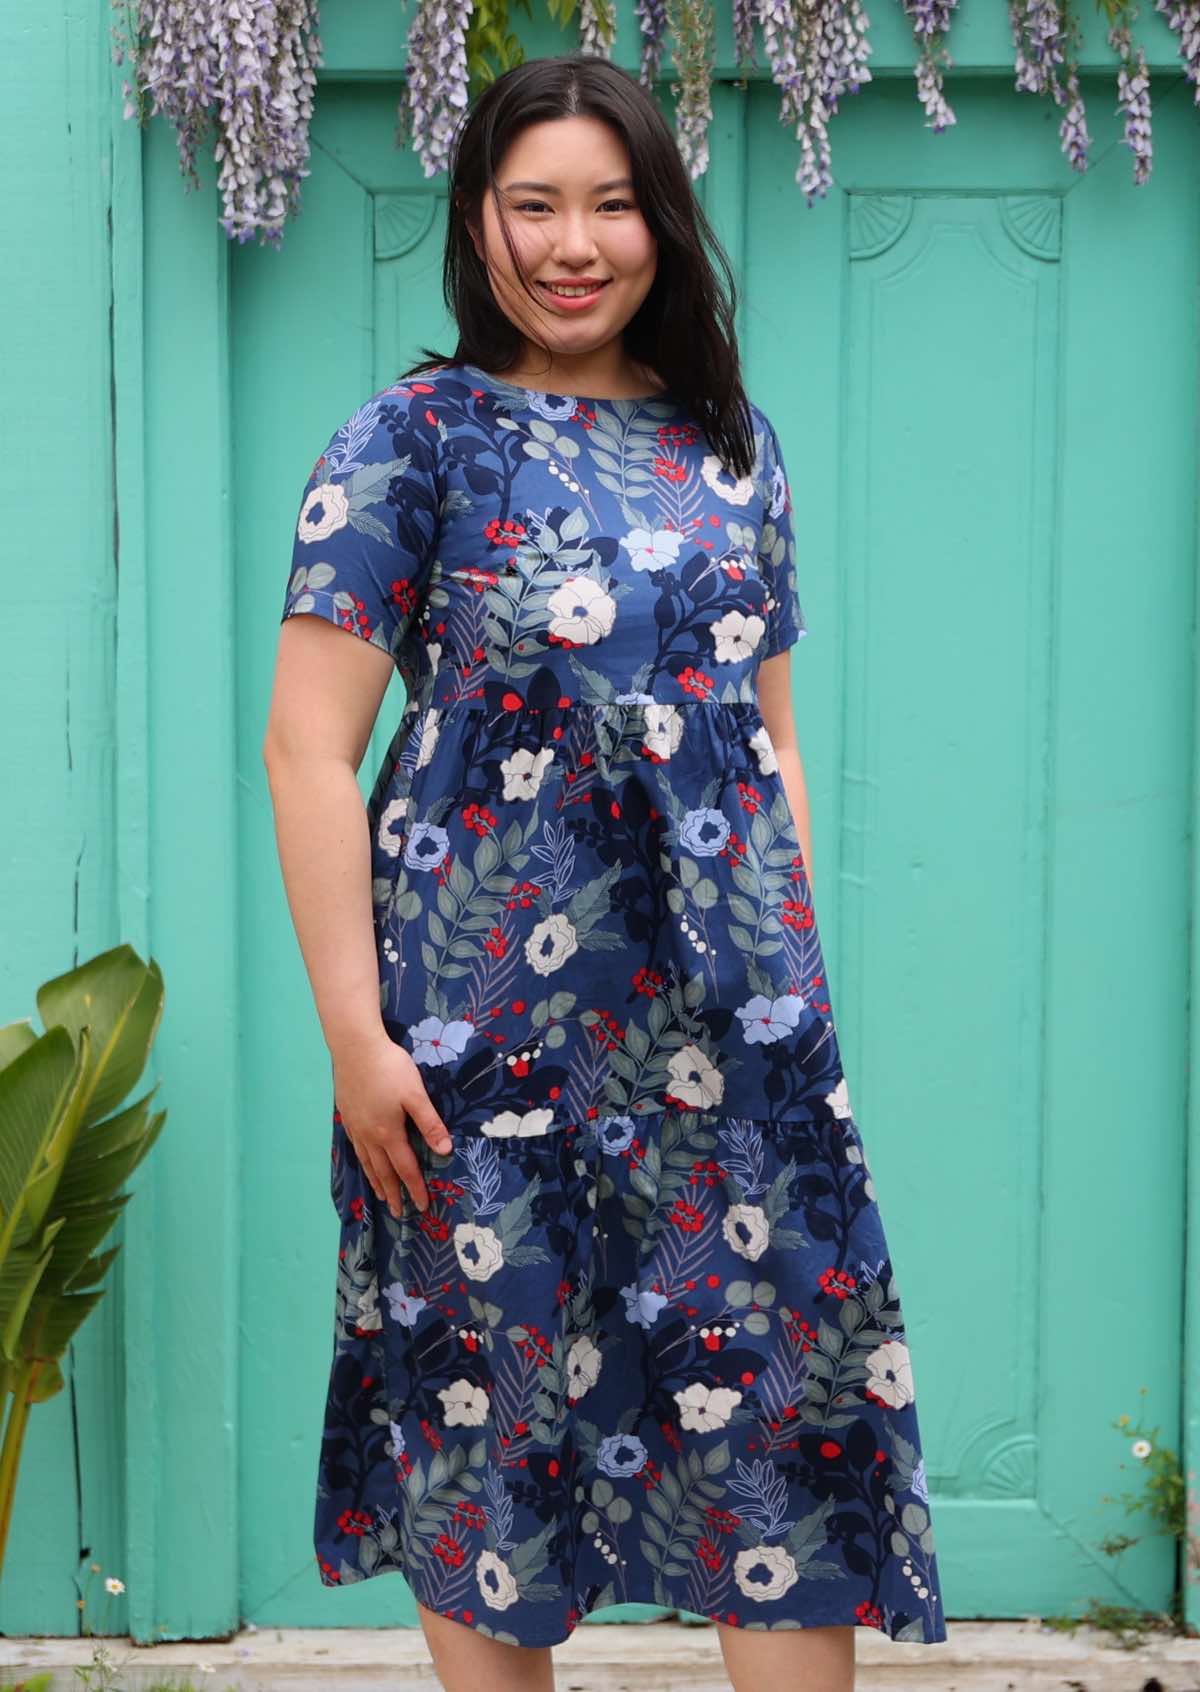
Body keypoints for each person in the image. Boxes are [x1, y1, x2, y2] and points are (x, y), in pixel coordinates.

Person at [262, 49, 948, 1692]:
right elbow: (307, 749)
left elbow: (764, 740)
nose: (575, 244)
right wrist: (358, 1039)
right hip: (479, 1040)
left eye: (612, 205)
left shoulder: (737, 449)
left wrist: (794, 987)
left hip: (732, 1045)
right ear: (478, 225)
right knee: (490, 1420)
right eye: (534, 206)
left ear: (663, 222)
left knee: (773, 1414)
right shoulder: (412, 440)